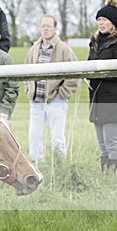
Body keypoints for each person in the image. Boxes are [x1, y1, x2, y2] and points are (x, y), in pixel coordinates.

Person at [24, 15, 80, 162]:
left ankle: (60, 165)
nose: (46, 29)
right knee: (35, 135)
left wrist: (61, 94)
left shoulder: (64, 49)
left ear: (55, 28)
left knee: (57, 135)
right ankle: (36, 164)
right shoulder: (34, 49)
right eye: (43, 26)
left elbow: (75, 74)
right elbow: (25, 73)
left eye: (49, 26)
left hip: (56, 101)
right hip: (36, 101)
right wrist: (29, 91)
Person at [87, 0, 117, 175]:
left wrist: (99, 74)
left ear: (113, 23)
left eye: (104, 19)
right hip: (97, 100)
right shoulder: (95, 42)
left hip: (113, 100)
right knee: (103, 146)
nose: (101, 23)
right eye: (98, 19)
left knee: (112, 143)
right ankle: (107, 179)